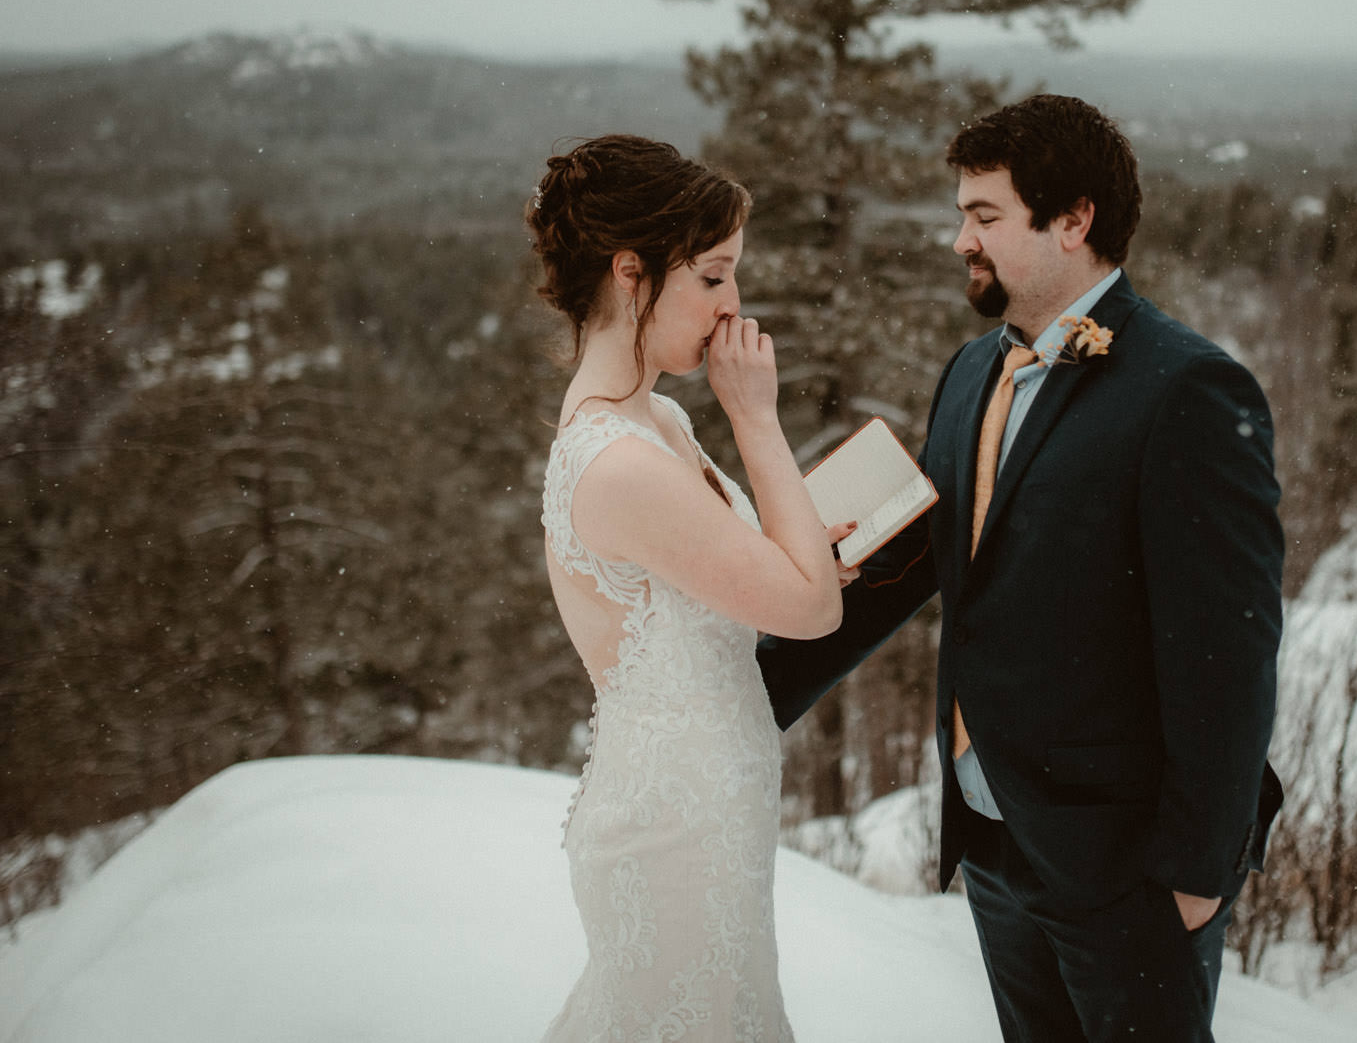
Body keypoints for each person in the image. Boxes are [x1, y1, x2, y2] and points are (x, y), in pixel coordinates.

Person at [758, 95, 1284, 1042]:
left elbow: (1227, 655)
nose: (960, 237)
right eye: (963, 213)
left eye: (984, 215)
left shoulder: (1188, 390)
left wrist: (1198, 873)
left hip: (1128, 867)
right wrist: (742, 692)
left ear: (1074, 220)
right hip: (993, 843)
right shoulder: (970, 372)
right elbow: (906, 560)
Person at [528, 134, 852, 1042]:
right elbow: (812, 610)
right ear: (632, 274)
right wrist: (755, 416)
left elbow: (744, 584)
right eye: (712, 276)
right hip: (671, 835)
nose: (732, 303)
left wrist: (806, 552)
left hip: (711, 813)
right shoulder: (618, 460)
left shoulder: (658, 416)